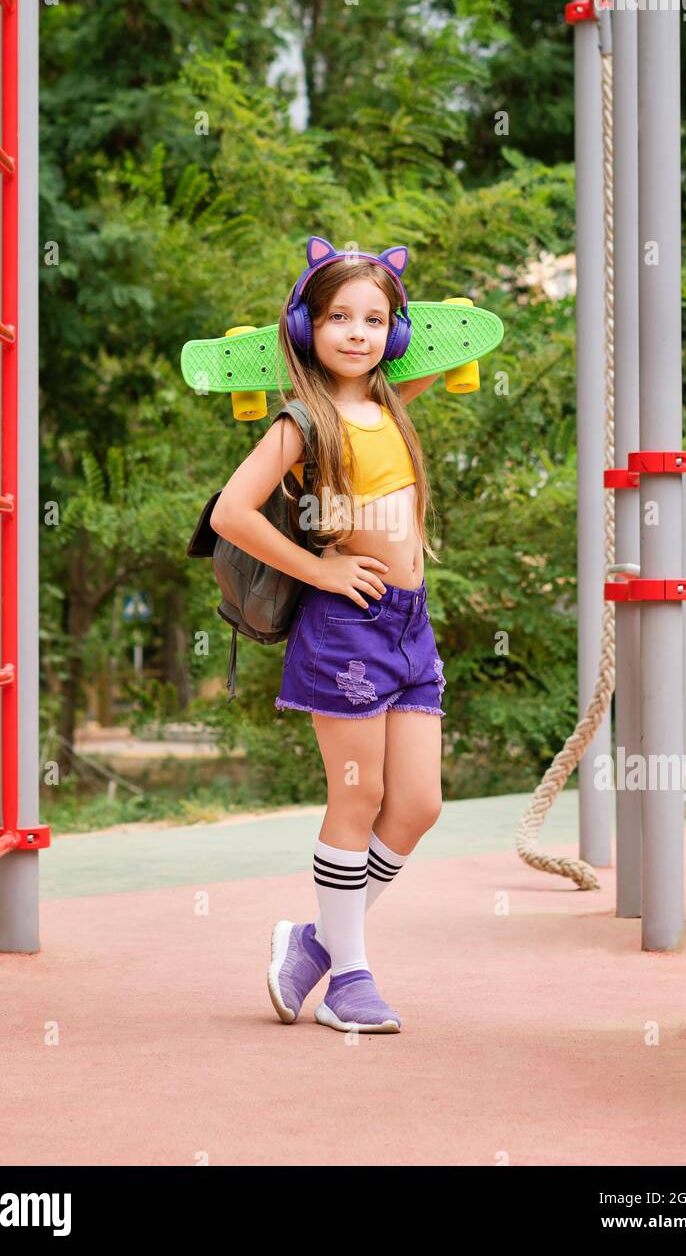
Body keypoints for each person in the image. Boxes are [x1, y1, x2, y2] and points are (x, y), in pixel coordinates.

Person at [210, 235, 445, 1033]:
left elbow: (448, 343)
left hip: (409, 625)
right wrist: (324, 573)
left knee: (415, 805)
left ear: (395, 335)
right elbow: (231, 513)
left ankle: (310, 940)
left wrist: (458, 332)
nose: (357, 331)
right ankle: (349, 978)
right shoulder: (302, 421)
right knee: (360, 795)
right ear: (309, 329)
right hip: (345, 627)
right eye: (338, 316)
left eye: (375, 319)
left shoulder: (389, 409)